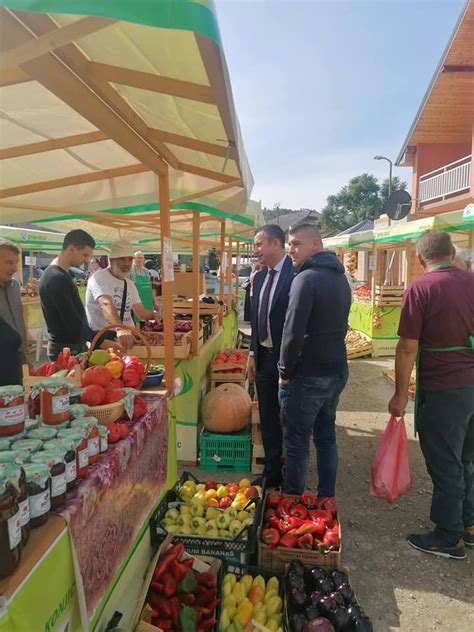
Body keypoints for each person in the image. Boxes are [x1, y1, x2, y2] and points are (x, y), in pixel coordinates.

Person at [388, 230, 474, 560]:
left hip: (444, 388)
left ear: (420, 259)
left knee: (446, 462)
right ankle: (468, 524)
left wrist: (399, 395)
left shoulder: (421, 287)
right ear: (452, 253)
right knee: (468, 458)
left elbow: (408, 346)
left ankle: (449, 536)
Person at [278, 224, 351, 498]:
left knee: (297, 442)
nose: (291, 250)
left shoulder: (306, 279)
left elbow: (292, 332)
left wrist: (285, 371)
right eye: (290, 244)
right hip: (336, 370)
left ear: (316, 245)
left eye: (297, 244)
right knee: (325, 436)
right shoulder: (340, 278)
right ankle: (326, 498)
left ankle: (292, 499)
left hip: (309, 375)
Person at [248, 225, 294, 487]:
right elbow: (256, 320)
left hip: (287, 360)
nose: (256, 251)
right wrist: (252, 352)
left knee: (290, 417)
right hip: (264, 358)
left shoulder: (296, 274)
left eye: (259, 244)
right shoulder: (261, 278)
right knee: (267, 416)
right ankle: (272, 472)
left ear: (276, 244)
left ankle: (293, 472)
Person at [39, 230, 122, 360]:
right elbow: (72, 321)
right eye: (84, 254)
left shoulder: (59, 274)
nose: (86, 260)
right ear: (71, 249)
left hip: (70, 346)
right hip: (66, 349)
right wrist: (101, 342)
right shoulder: (56, 278)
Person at [86, 241, 161, 350]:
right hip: (104, 341)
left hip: (127, 341)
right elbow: (105, 303)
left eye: (130, 259)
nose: (126, 263)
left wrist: (153, 315)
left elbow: (141, 313)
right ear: (111, 260)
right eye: (122, 259)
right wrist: (120, 328)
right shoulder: (99, 278)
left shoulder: (129, 284)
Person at [0, 240, 26, 385]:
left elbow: (20, 318)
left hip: (18, 359)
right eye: (9, 262)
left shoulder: (15, 286)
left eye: (16, 262)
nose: (15, 268)